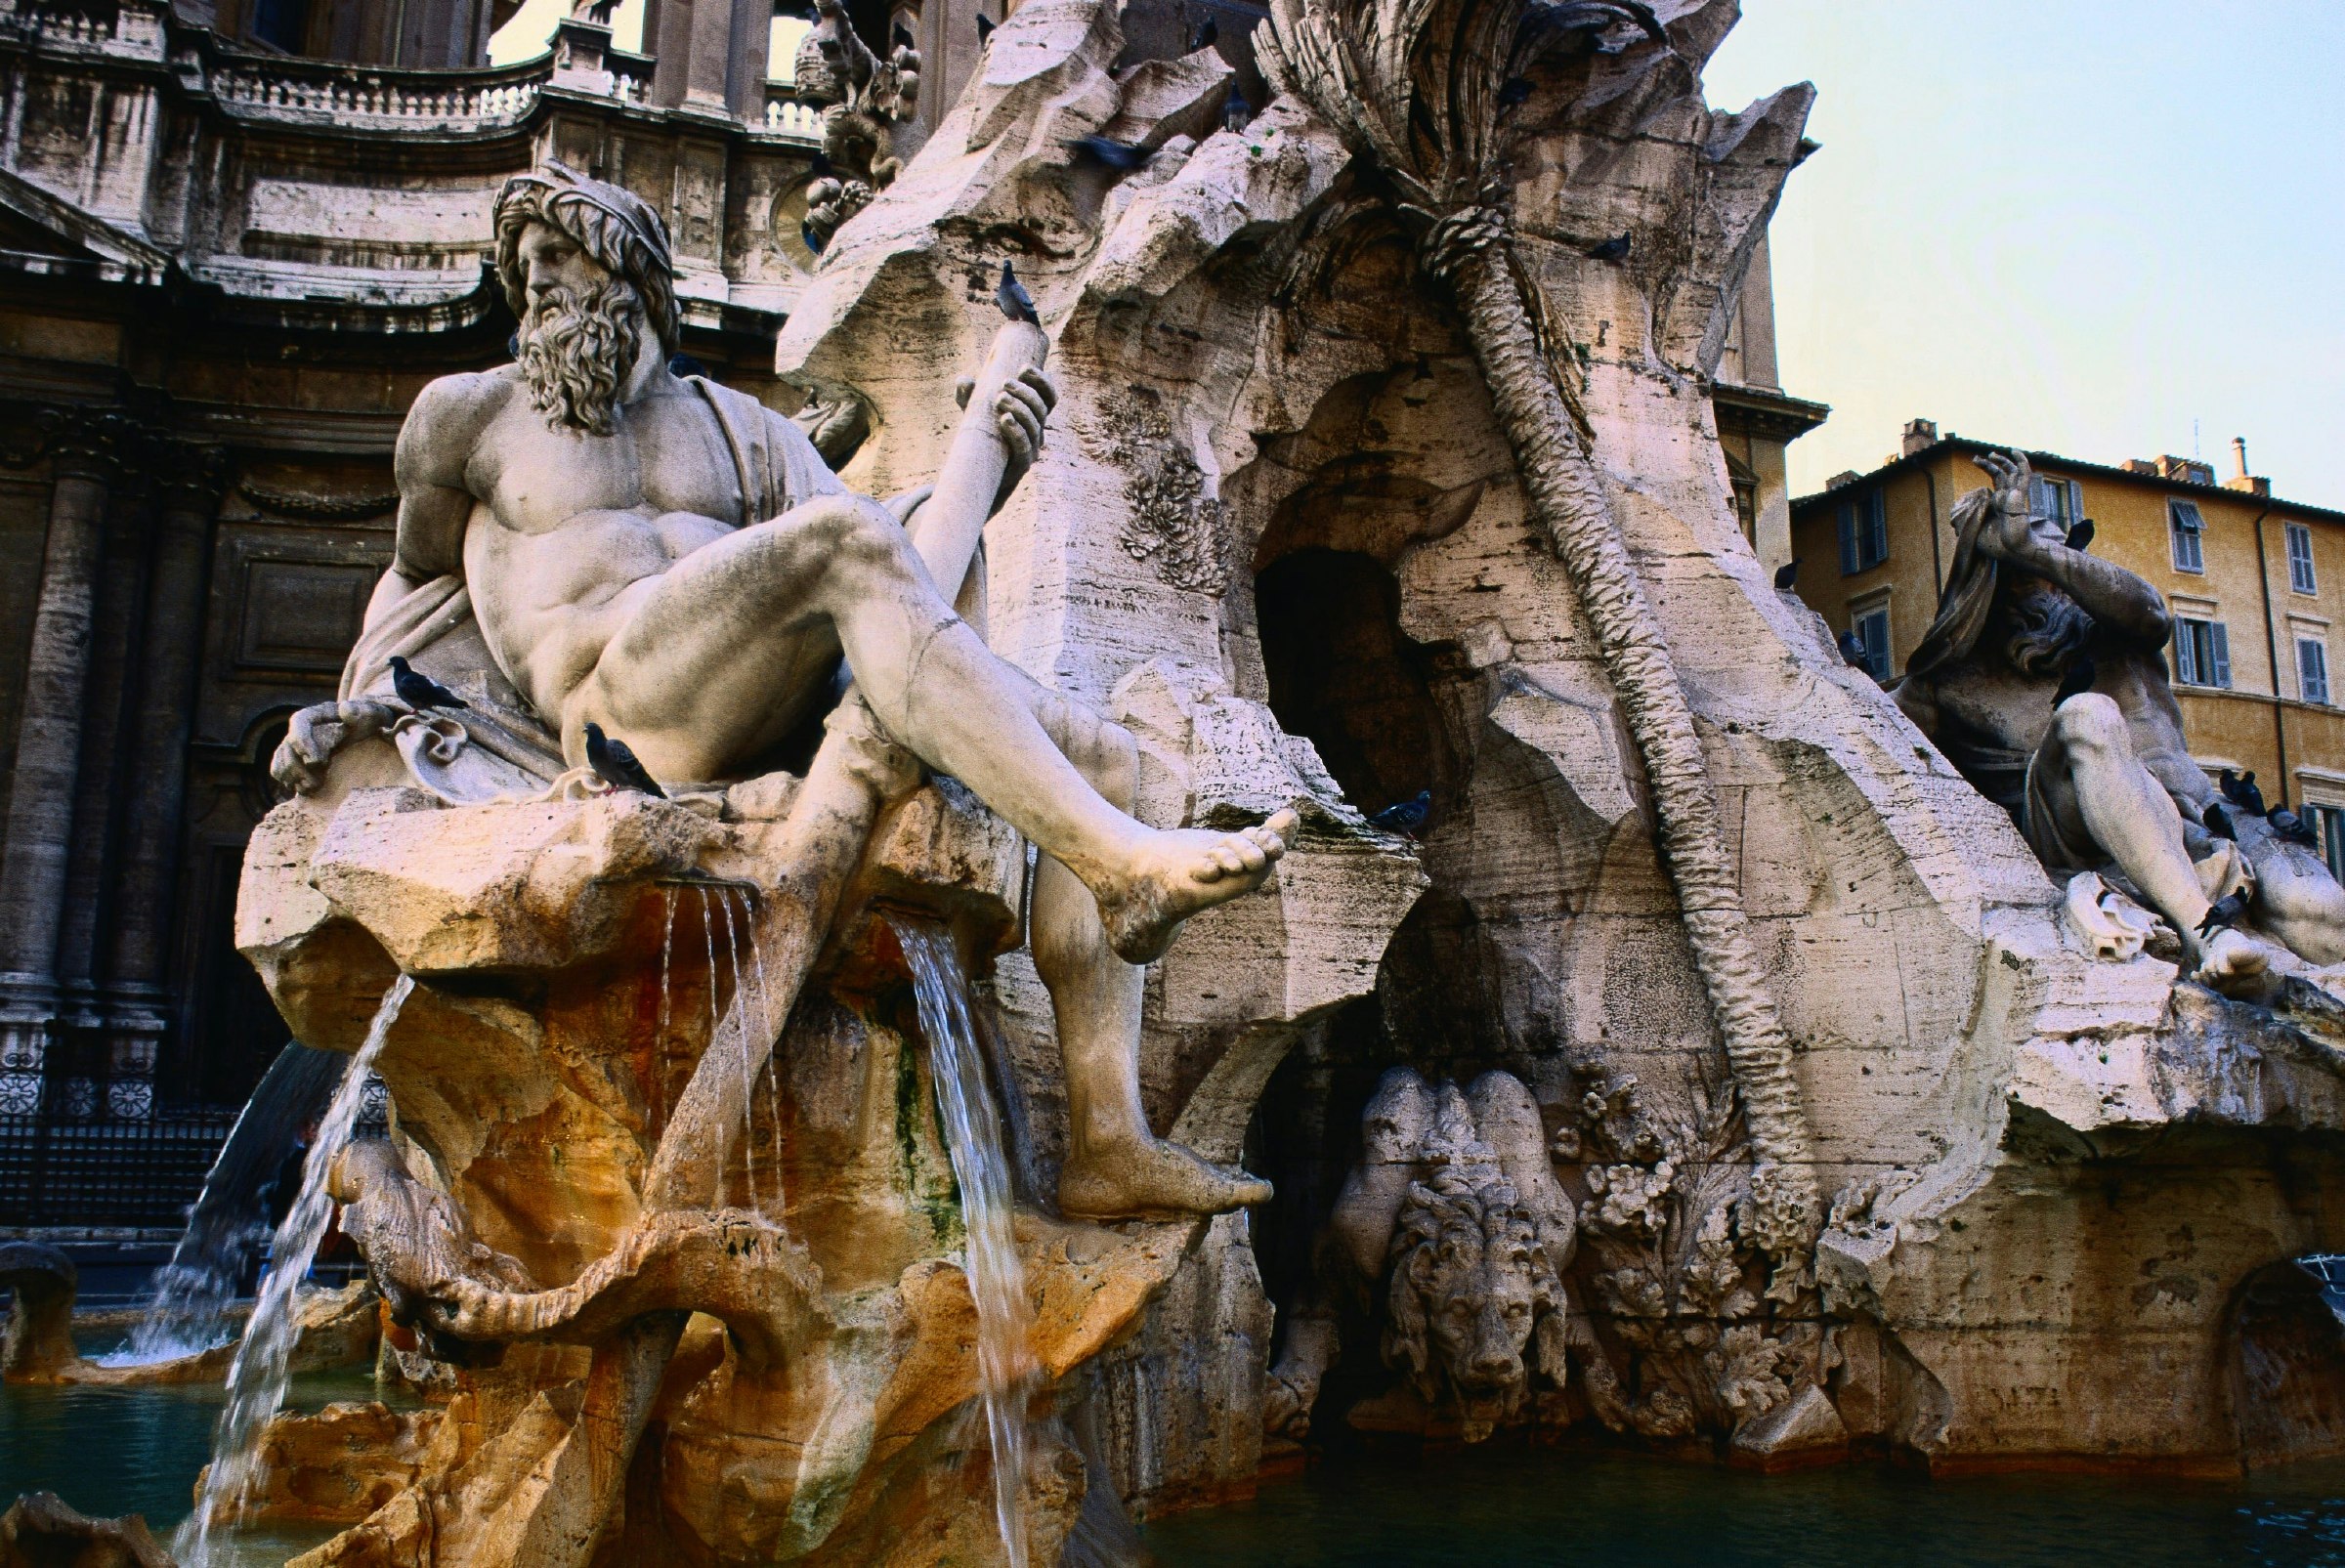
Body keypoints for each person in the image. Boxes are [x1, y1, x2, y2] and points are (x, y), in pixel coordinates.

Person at [289, 165, 1289, 1219]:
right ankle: (1122, 863)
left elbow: (900, 574)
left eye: (558, 260)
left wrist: (989, 460)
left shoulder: (740, 430)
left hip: (758, 710)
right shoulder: (468, 418)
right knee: (842, 538)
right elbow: (416, 585)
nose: (533, 285)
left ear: (630, 274)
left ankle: (1107, 1138)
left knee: (1108, 756)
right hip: (614, 713)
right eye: (522, 268)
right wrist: (357, 710)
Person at [1894, 450, 2345, 987]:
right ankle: (2205, 934)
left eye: (2060, 565)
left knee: (2319, 912)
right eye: (2030, 575)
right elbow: (1867, 732)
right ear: (1987, 589)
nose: (2059, 586)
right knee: (2087, 714)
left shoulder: (2115, 632)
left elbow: (2150, 610)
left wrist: (2032, 548)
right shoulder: (1949, 683)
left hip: (2200, 815)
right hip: (2071, 829)